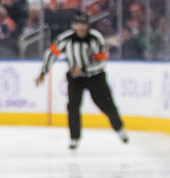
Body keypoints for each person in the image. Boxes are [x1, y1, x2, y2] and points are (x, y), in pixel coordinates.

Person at [34, 10, 127, 150]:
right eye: (78, 24)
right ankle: (74, 138)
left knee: (106, 104)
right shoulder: (66, 38)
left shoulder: (96, 38)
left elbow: (102, 61)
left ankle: (119, 128)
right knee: (73, 106)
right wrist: (43, 72)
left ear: (87, 25)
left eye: (83, 24)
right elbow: (51, 53)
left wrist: (84, 69)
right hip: (75, 78)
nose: (81, 27)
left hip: (95, 77)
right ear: (74, 25)